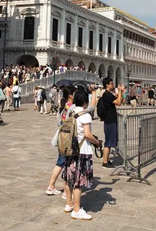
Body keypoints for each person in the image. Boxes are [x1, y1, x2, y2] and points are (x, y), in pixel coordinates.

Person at [63, 89, 102, 221]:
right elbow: (87, 134)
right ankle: (77, 210)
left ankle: (69, 203)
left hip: (70, 149)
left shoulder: (72, 111)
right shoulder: (85, 115)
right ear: (85, 101)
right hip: (81, 150)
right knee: (78, 181)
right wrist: (97, 142)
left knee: (69, 178)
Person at [46, 85, 76, 197]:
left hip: (62, 136)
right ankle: (65, 191)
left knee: (61, 162)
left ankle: (52, 186)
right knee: (67, 163)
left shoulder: (63, 107)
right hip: (68, 138)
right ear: (70, 95)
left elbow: (59, 123)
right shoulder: (72, 108)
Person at [99, 77, 123, 168]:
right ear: (107, 85)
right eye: (111, 83)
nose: (113, 85)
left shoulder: (109, 94)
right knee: (108, 141)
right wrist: (120, 91)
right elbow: (118, 102)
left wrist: (120, 93)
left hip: (111, 119)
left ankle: (107, 159)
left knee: (110, 140)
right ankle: (105, 162)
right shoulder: (106, 94)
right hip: (109, 120)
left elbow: (119, 100)